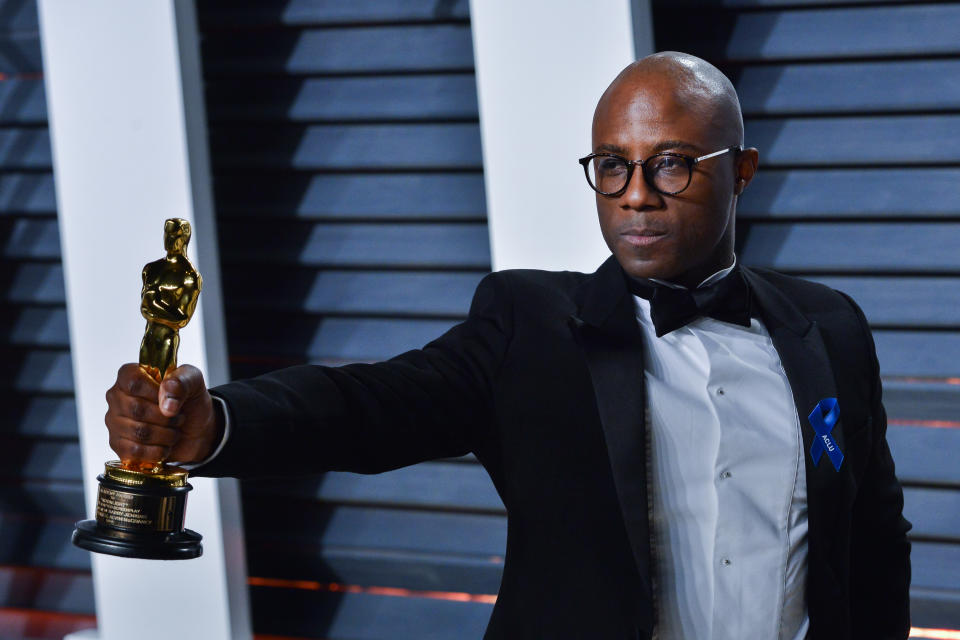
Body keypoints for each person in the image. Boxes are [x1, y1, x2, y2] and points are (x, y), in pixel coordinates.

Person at [103, 52, 911, 639]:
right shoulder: (531, 325)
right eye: (611, 166)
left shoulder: (828, 328)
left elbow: (873, 543)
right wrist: (214, 425)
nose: (635, 195)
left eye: (670, 165)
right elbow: (372, 405)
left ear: (740, 171)